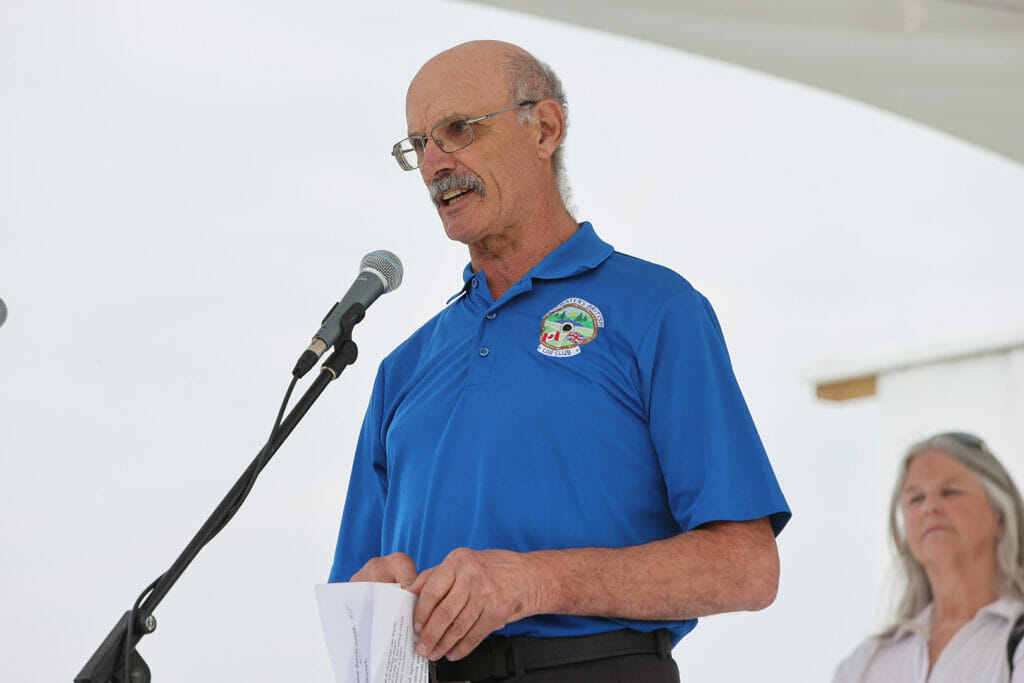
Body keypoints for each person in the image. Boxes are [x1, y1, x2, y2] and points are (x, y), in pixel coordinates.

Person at [328, 40, 790, 682]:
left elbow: (745, 567)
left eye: (458, 130)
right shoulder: (401, 369)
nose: (435, 163)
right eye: (418, 145)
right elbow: (358, 600)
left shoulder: (657, 309)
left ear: (544, 128)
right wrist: (377, 597)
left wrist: (533, 583)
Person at [834, 432, 1024, 682]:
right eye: (916, 498)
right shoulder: (866, 662)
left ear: (1000, 515)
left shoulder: (1016, 639)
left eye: (950, 491)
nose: (930, 506)